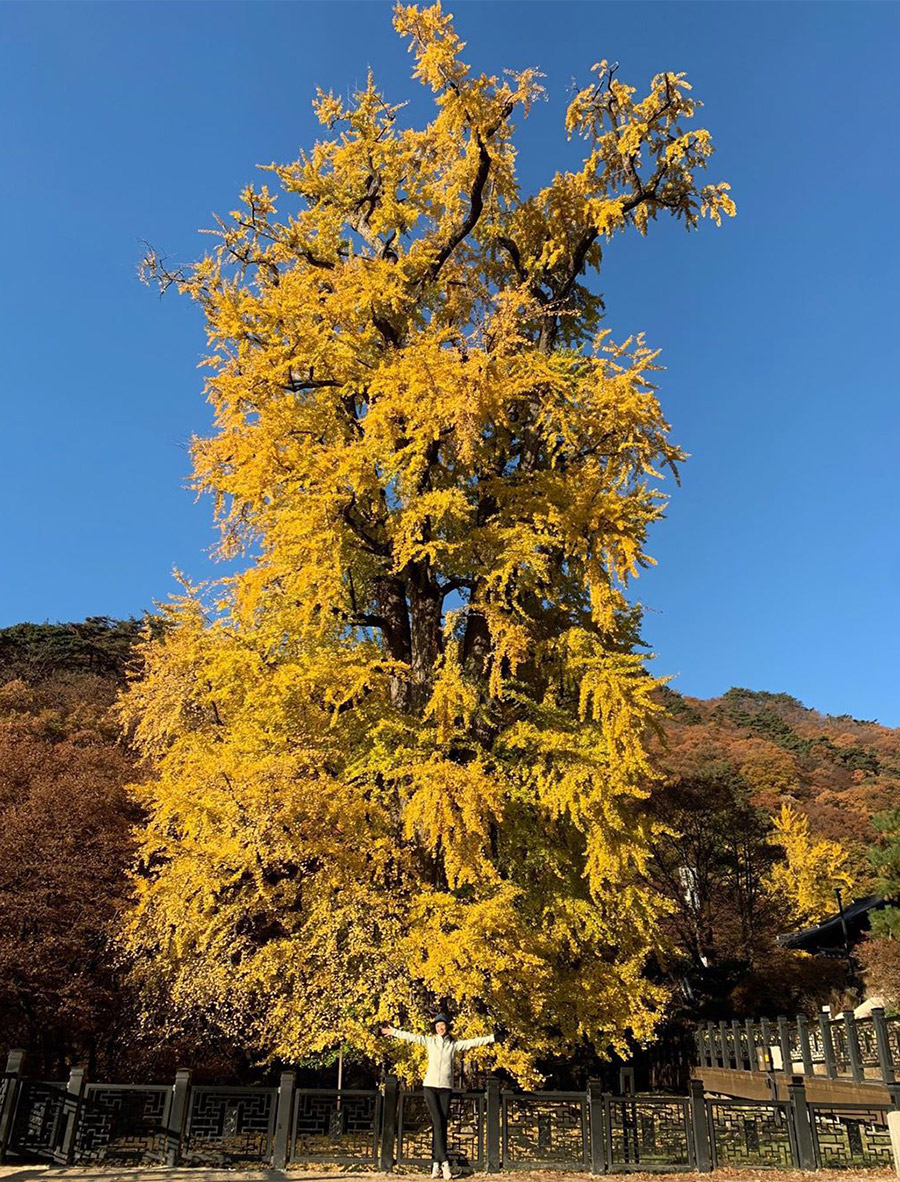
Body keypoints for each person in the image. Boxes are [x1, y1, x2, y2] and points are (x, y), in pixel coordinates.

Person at [381, 1014, 495, 1179]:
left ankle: (435, 1163)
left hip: (445, 1089)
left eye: (443, 1025)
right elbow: (412, 1037)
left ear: (447, 1027)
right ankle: (445, 1163)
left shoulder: (453, 1045)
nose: (440, 1028)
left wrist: (492, 1038)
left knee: (440, 1124)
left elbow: (473, 1042)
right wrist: (393, 1032)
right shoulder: (430, 1041)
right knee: (438, 1123)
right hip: (430, 1087)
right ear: (434, 1028)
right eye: (437, 1025)